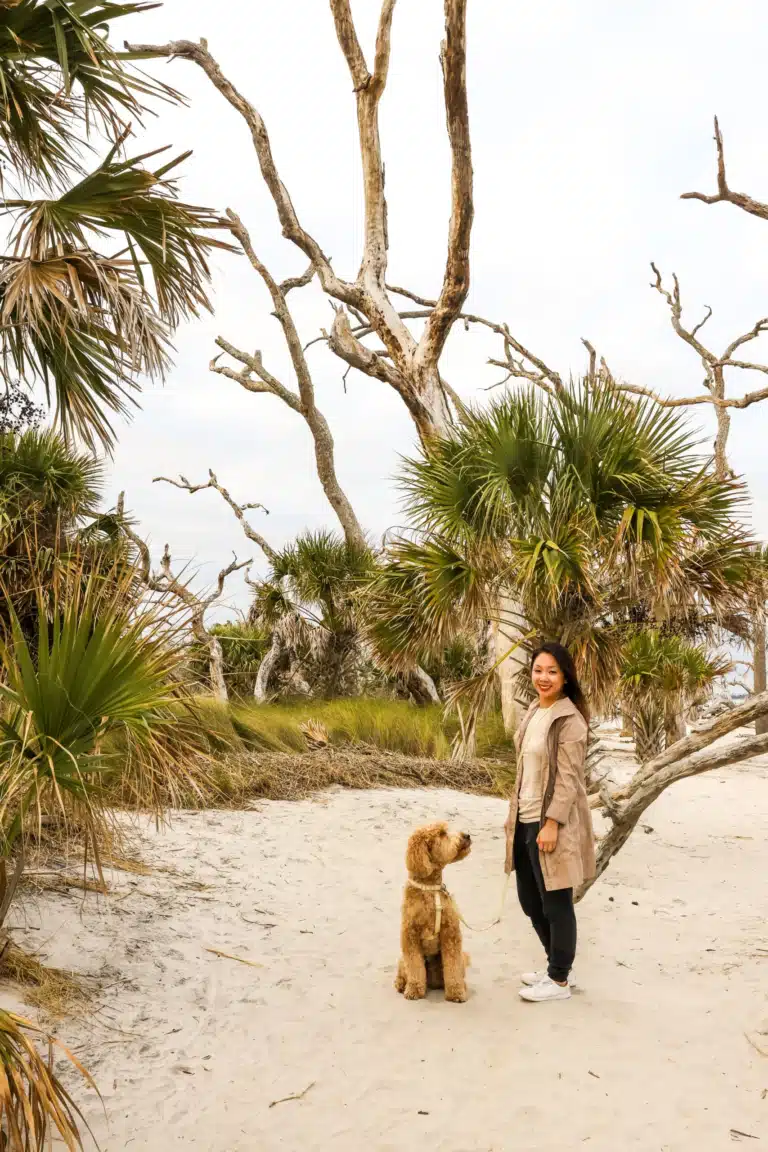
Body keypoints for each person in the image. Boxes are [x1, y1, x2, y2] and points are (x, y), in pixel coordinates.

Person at [504, 642, 596, 1003]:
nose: (543, 677)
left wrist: (553, 823)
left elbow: (569, 778)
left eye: (552, 671)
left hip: (550, 823)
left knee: (556, 901)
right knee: (529, 900)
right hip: (523, 819)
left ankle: (558, 980)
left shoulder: (569, 719)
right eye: (538, 670)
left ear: (565, 676)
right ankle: (554, 967)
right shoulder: (533, 710)